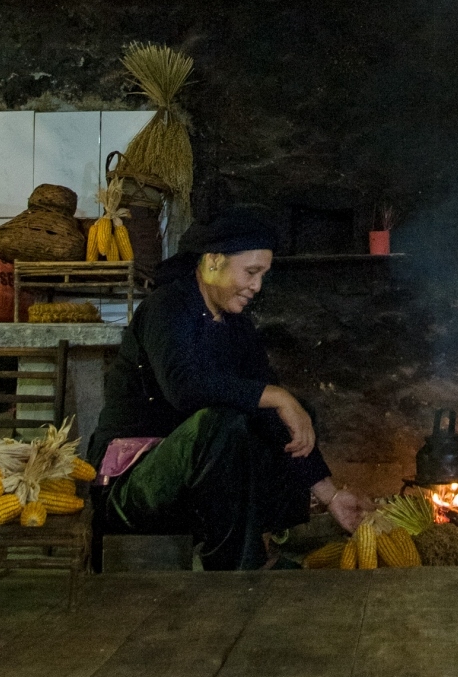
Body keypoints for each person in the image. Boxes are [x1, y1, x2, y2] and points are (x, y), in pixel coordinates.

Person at [88, 205, 369, 569]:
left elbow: (273, 412)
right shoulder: (167, 308)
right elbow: (184, 387)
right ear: (214, 261)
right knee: (220, 424)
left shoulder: (236, 326)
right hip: (133, 488)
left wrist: (330, 495)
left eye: (263, 275)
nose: (257, 286)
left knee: (293, 416)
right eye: (251, 272)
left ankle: (259, 544)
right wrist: (277, 396)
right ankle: (237, 572)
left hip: (197, 485)